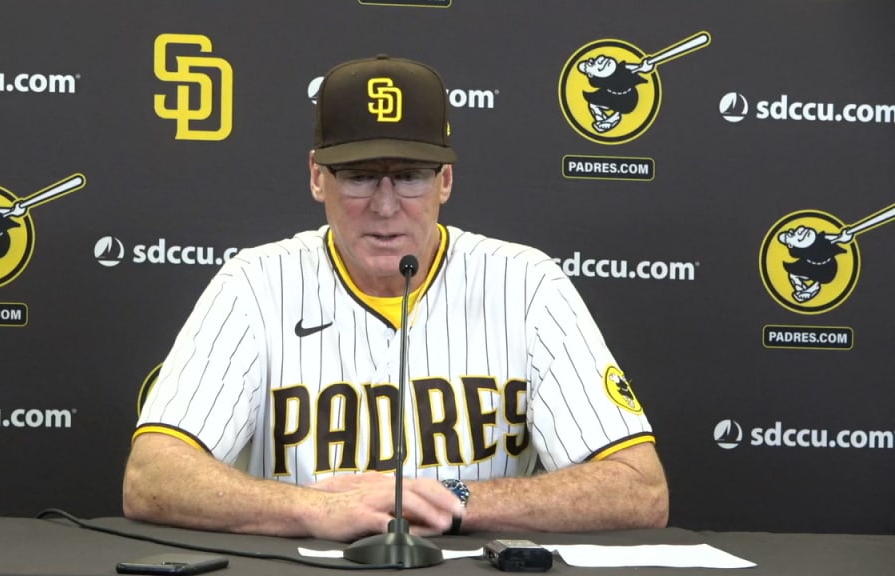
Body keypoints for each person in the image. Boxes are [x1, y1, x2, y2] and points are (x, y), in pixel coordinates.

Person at [123, 55, 669, 542]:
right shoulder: (253, 284)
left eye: (409, 176)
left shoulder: (527, 284)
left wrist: (460, 500)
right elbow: (152, 478)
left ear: (445, 181)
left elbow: (640, 488)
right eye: (359, 177)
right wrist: (310, 509)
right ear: (317, 177)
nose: (386, 207)